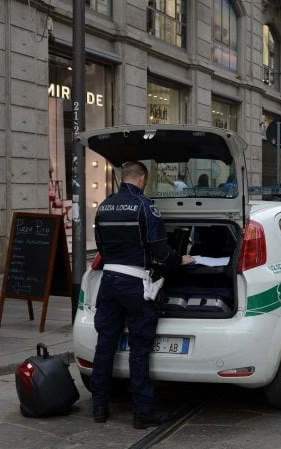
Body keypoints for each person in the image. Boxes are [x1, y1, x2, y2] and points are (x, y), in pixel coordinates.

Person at [91, 161, 195, 429]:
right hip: (136, 284)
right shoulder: (146, 206)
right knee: (139, 348)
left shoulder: (103, 207)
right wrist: (179, 260)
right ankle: (143, 412)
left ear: (123, 177)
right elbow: (159, 249)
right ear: (142, 180)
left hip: (109, 281)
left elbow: (101, 248)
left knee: (104, 345)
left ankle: (99, 407)